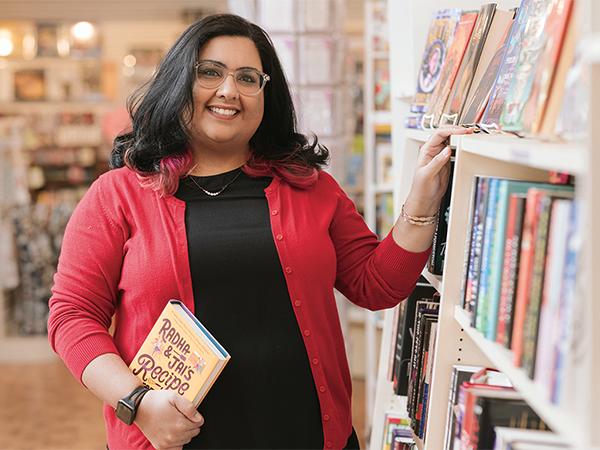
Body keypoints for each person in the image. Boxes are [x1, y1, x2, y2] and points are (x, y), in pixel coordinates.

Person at [47, 13, 473, 450]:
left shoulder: (310, 187)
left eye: (248, 78)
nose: (228, 90)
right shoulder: (117, 195)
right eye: (209, 72)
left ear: (266, 95)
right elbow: (71, 316)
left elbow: (377, 285)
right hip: (169, 439)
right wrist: (135, 401)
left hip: (309, 435)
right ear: (178, 82)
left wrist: (421, 202)